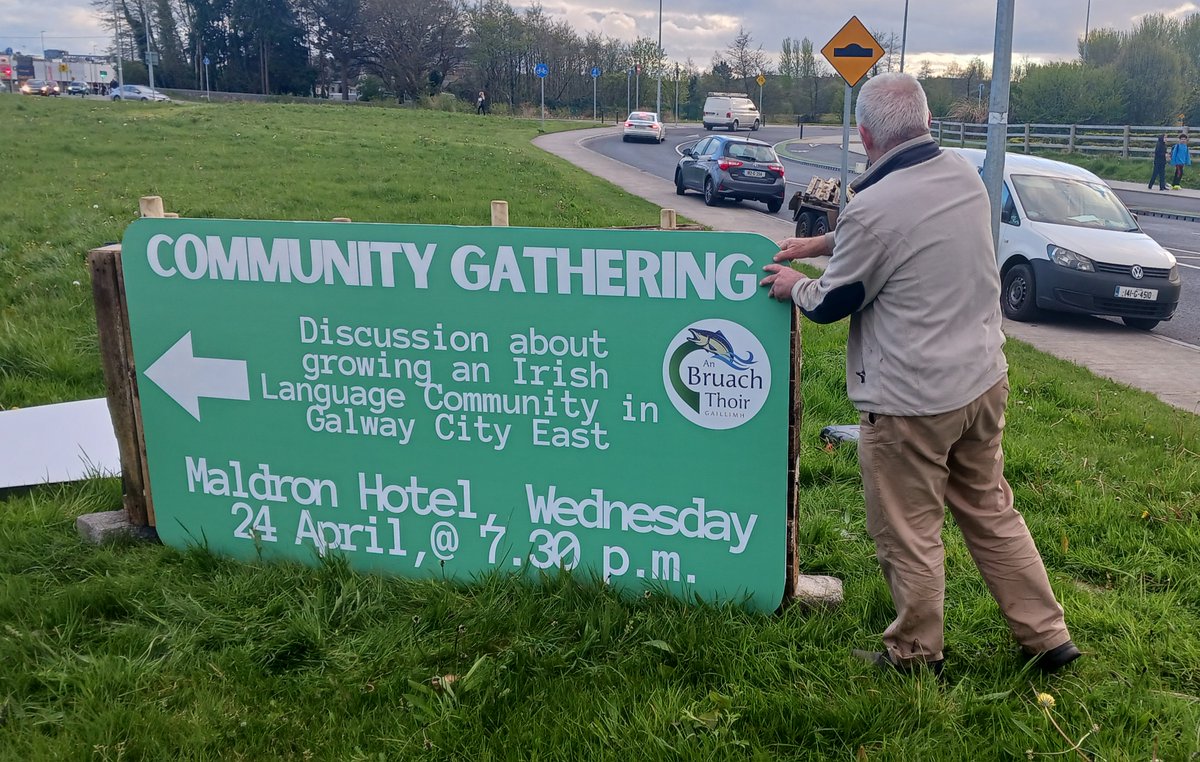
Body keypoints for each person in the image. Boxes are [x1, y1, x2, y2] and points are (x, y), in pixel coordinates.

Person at [760, 72, 1079, 677]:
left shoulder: (874, 207)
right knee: (990, 510)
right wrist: (824, 244)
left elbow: (833, 303)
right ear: (927, 123)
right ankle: (1047, 635)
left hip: (911, 403)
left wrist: (792, 284)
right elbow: (900, 236)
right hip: (982, 380)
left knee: (909, 531)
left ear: (864, 134)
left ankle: (914, 653)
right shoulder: (963, 176)